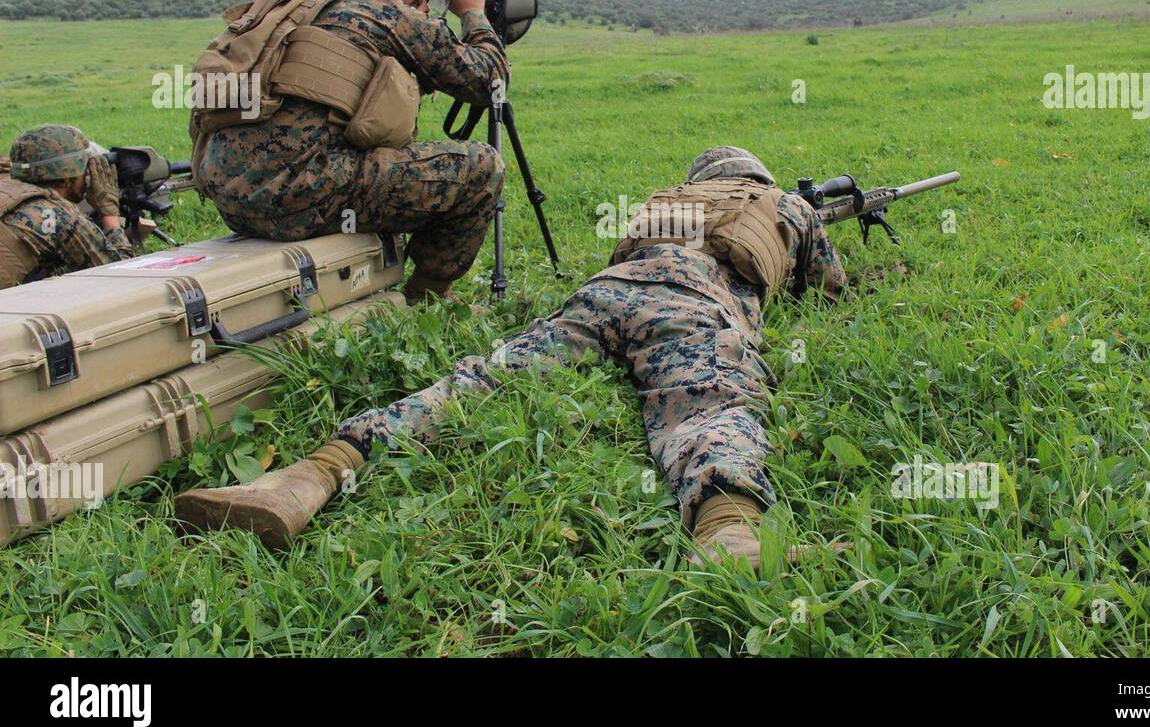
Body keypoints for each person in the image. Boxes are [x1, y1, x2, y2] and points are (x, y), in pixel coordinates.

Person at [176, 147, 848, 568]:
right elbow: (827, 286)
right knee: (708, 403)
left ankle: (309, 476)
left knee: (479, 380)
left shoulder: (664, 202)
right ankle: (728, 530)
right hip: (691, 304)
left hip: (602, 295)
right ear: (755, 178)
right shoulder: (784, 203)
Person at [190, 0, 509, 302]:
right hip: (294, 199)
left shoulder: (299, 6)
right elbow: (489, 81)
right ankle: (427, 301)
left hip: (233, 203)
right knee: (481, 168)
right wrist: (473, 13)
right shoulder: (386, 12)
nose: (426, 4)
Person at [0, 124, 134, 288]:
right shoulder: (60, 216)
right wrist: (110, 215)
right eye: (85, 168)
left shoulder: (6, 187)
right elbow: (120, 278)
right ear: (67, 178)